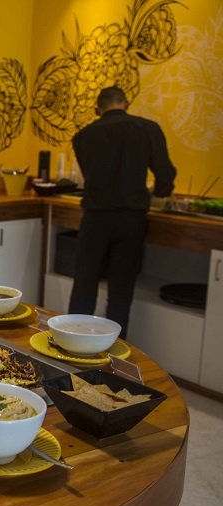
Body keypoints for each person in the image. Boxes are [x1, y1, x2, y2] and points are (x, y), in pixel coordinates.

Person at [68, 86, 176, 338]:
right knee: (121, 290)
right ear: (126, 103)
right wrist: (159, 191)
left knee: (84, 283)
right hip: (131, 219)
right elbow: (165, 173)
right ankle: (116, 349)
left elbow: (91, 175)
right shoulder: (148, 128)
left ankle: (73, 343)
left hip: (96, 217)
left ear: (97, 109)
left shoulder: (83, 136)